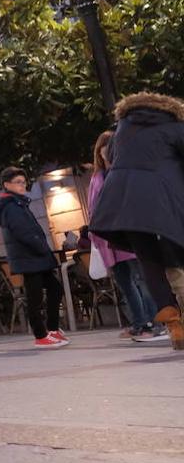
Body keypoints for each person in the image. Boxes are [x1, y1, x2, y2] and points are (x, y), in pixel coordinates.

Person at [90, 92, 184, 350]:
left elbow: (111, 157)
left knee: (149, 260)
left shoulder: (122, 129)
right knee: (176, 254)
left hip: (123, 203)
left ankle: (174, 323)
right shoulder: (175, 126)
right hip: (163, 202)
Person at [87, 130, 162, 340]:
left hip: (129, 236)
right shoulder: (97, 177)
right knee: (125, 283)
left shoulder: (126, 173)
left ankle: (155, 323)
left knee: (142, 279)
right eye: (104, 150)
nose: (107, 154)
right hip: (109, 239)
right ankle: (139, 322)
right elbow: (94, 208)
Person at [0, 167, 70, 349]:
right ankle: (40, 335)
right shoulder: (10, 206)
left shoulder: (18, 203)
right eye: (18, 182)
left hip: (35, 256)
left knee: (55, 288)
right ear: (6, 185)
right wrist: (42, 247)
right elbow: (23, 232)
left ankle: (52, 328)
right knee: (34, 297)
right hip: (28, 257)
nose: (23, 185)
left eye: (23, 181)